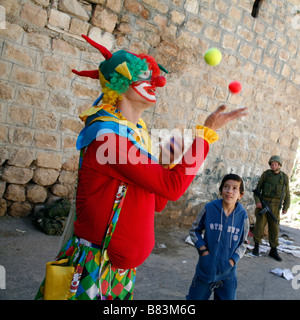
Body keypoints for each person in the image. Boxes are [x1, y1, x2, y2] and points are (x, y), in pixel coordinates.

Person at [35, 35, 248, 300]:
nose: (156, 82)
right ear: (121, 83)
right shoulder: (106, 137)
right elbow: (171, 188)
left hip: (121, 272)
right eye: (145, 78)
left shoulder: (137, 135)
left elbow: (156, 202)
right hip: (95, 263)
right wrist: (205, 136)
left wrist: (168, 159)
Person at [186, 174, 249, 300]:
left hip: (228, 273)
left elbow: (244, 242)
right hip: (206, 270)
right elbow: (194, 230)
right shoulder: (209, 208)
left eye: (234, 188)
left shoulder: (243, 216)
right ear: (221, 190)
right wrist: (203, 251)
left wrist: (232, 260)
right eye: (226, 187)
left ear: (240, 194)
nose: (229, 191)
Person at [252, 155, 290, 261]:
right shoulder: (266, 175)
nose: (273, 166)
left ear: (279, 165)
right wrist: (258, 202)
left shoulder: (284, 177)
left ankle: (273, 250)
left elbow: (287, 193)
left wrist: (285, 207)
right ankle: (256, 247)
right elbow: (257, 191)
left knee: (274, 228)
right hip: (264, 204)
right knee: (259, 226)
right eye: (272, 164)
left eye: (275, 164)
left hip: (275, 206)